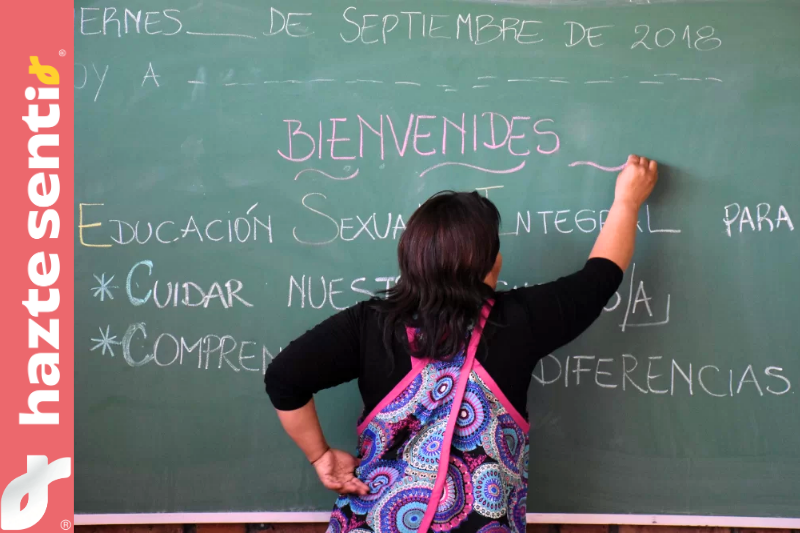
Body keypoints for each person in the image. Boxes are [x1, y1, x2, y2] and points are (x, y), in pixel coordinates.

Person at [265, 155, 659, 533]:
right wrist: (627, 201)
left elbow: (284, 377)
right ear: (491, 264)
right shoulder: (520, 322)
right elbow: (600, 278)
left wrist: (321, 457)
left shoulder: (370, 323)